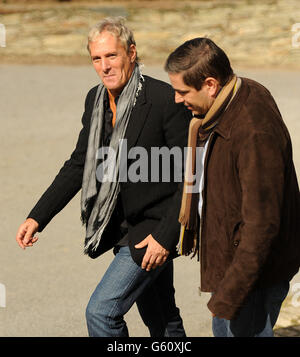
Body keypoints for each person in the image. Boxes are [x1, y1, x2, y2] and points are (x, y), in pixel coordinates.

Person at [15, 17, 191, 337]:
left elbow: (189, 176)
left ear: (132, 53)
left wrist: (166, 237)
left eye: (112, 56)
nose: (104, 66)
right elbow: (81, 163)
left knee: (101, 312)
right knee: (162, 319)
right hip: (121, 225)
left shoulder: (164, 99)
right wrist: (38, 216)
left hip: (153, 228)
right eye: (97, 58)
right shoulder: (95, 101)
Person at [165, 37, 300, 337]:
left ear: (211, 84)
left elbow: (262, 224)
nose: (176, 99)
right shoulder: (233, 98)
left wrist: (230, 293)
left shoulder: (252, 130)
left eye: (182, 91)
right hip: (234, 268)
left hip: (252, 277)